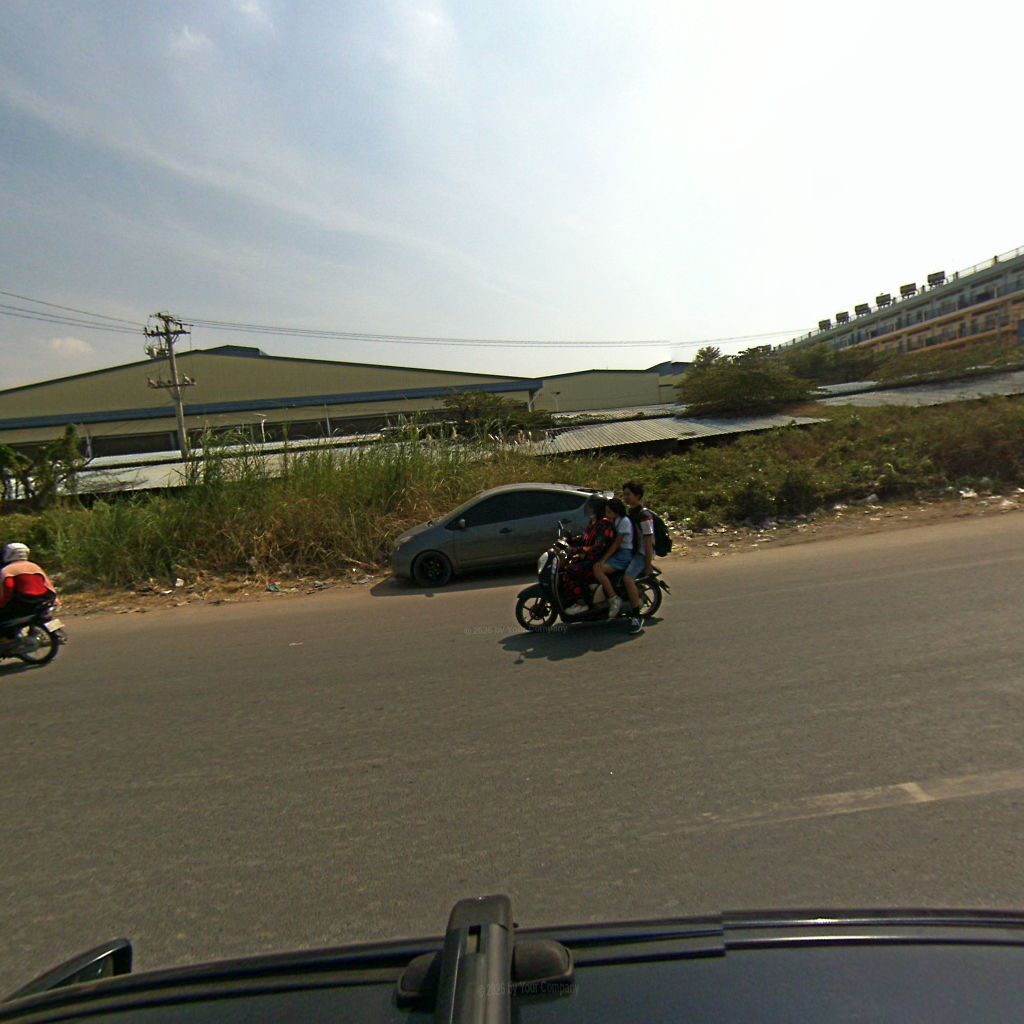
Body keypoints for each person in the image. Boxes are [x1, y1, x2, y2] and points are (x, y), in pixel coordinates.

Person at [563, 496, 616, 616]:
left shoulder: (605, 524)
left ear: (597, 508)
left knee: (571, 570)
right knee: (568, 565)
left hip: (598, 559)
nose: (589, 509)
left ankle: (582, 603)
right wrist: (571, 539)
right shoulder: (594, 522)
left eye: (591, 507)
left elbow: (598, 547)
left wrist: (577, 550)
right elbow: (585, 538)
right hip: (589, 557)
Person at [593, 497, 636, 627]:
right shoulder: (615, 520)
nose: (606, 514)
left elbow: (617, 543)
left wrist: (604, 559)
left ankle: (613, 598)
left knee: (598, 569)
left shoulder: (624, 522)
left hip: (624, 554)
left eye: (609, 512)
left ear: (616, 512)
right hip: (619, 553)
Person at [622, 480, 656, 634]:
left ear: (638, 496)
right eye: (624, 495)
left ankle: (636, 617)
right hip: (632, 551)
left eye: (628, 495)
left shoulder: (644, 515)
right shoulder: (631, 513)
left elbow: (649, 541)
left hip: (641, 554)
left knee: (628, 579)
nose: (626, 497)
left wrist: (647, 564)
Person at [0, 542, 57, 629]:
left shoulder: (7, 570)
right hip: (44, 600)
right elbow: (48, 584)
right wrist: (55, 599)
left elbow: (8, 587)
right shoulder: (35, 566)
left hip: (24, 601)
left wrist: (2, 603)